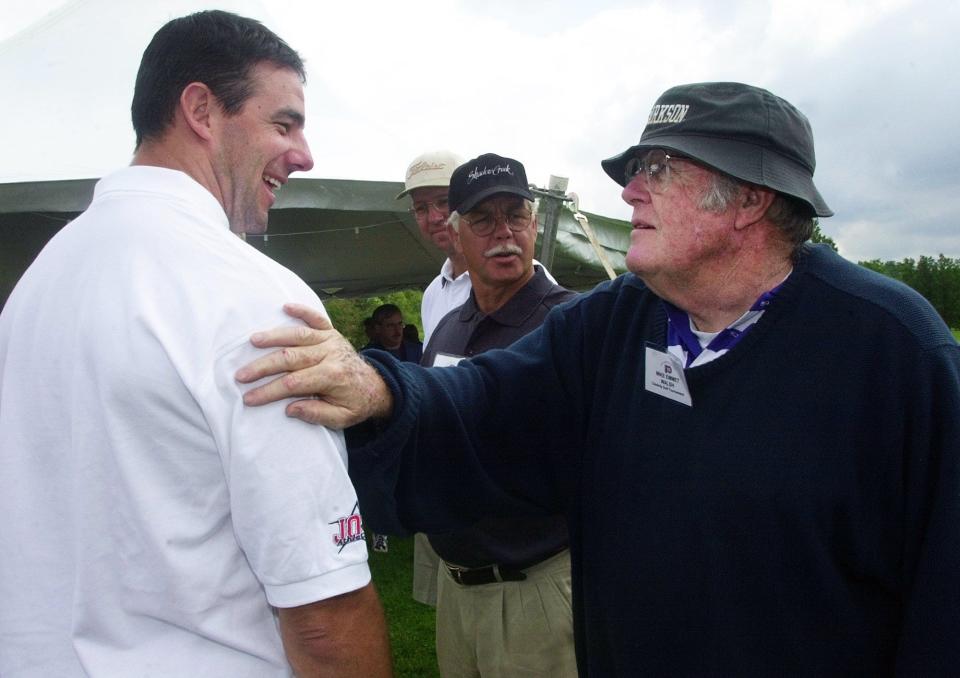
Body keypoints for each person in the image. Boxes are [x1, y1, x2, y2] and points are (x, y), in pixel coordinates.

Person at [236, 82, 960, 675]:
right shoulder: (619, 321)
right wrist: (383, 391)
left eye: (659, 170)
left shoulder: (890, 350)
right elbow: (494, 403)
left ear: (751, 199)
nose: (629, 192)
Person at [0, 11, 391, 677]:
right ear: (202, 110)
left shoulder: (37, 286)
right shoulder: (250, 296)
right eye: (284, 123)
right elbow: (324, 613)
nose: (304, 154)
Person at [421, 152, 578, 676]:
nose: (504, 232)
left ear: (535, 223)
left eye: (516, 214)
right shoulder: (448, 330)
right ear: (456, 233)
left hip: (534, 590)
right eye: (484, 219)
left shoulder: (571, 323)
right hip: (457, 585)